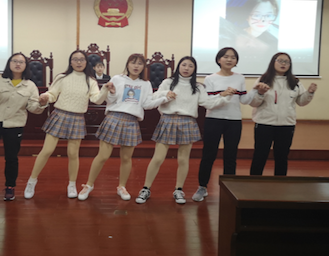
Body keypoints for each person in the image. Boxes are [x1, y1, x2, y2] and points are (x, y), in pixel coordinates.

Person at [135, 56, 233, 205]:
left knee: (183, 159)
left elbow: (208, 103)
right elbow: (154, 96)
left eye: (190, 66)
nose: (186, 68)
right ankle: (145, 189)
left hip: (187, 122)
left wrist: (224, 97)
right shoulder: (168, 82)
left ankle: (179, 190)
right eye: (184, 65)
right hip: (168, 120)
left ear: (194, 69)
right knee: (158, 158)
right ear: (179, 66)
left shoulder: (198, 87)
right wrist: (166, 94)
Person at [77, 54, 171, 201]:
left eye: (139, 63)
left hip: (131, 121)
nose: (136, 66)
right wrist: (111, 92)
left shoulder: (145, 84)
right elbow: (110, 100)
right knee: (102, 156)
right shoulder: (117, 79)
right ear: (127, 64)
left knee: (126, 158)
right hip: (114, 118)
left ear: (143, 67)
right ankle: (88, 185)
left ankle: (122, 186)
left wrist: (165, 99)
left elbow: (146, 104)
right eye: (133, 63)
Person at [23, 50, 110, 199]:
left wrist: (106, 89)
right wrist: (45, 97)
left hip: (77, 118)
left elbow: (97, 99)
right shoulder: (62, 77)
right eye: (75, 59)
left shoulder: (91, 81)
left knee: (73, 154)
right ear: (70, 62)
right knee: (47, 150)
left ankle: (72, 184)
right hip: (60, 115)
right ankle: (31, 181)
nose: (78, 62)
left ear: (86, 62)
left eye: (82, 59)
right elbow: (52, 94)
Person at [0, 52, 46, 201]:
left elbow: (33, 108)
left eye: (21, 62)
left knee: (11, 158)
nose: (18, 64)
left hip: (15, 124)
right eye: (14, 61)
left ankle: (10, 187)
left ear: (26, 66)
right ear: (9, 64)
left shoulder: (30, 85)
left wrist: (41, 104)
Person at [192, 47, 256, 202]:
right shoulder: (210, 78)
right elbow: (208, 101)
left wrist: (256, 92)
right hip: (214, 119)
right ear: (219, 59)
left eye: (233, 57)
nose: (229, 59)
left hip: (234, 120)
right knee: (209, 155)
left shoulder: (240, 78)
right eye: (226, 56)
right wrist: (223, 94)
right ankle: (202, 187)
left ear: (236, 61)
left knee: (231, 155)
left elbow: (244, 100)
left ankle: (229, 188)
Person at [248, 52, 317, 176]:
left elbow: (301, 102)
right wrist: (260, 93)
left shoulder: (294, 82)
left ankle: (280, 183)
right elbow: (253, 103)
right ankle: (254, 181)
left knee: (282, 157)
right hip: (264, 124)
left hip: (286, 125)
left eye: (287, 62)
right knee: (260, 155)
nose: (283, 64)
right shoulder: (263, 80)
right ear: (273, 62)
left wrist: (310, 93)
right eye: (280, 60)